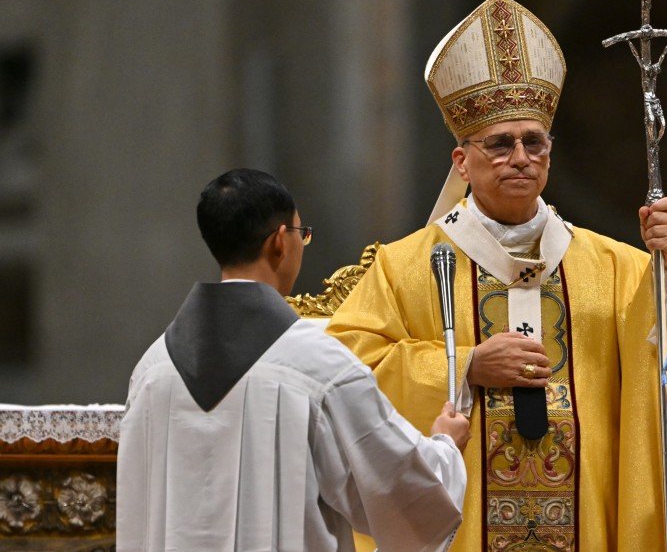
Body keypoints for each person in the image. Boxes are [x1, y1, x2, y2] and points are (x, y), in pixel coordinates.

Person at [326, 0, 667, 551]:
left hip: (586, 521)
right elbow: (347, 374)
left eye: (535, 142)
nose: (521, 157)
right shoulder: (406, 267)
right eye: (500, 144)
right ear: (462, 161)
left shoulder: (619, 268)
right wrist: (463, 365)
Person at [117, 169, 470, 552]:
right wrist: (445, 449)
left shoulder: (153, 368)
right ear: (279, 243)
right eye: (302, 234)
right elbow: (394, 490)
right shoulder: (318, 363)